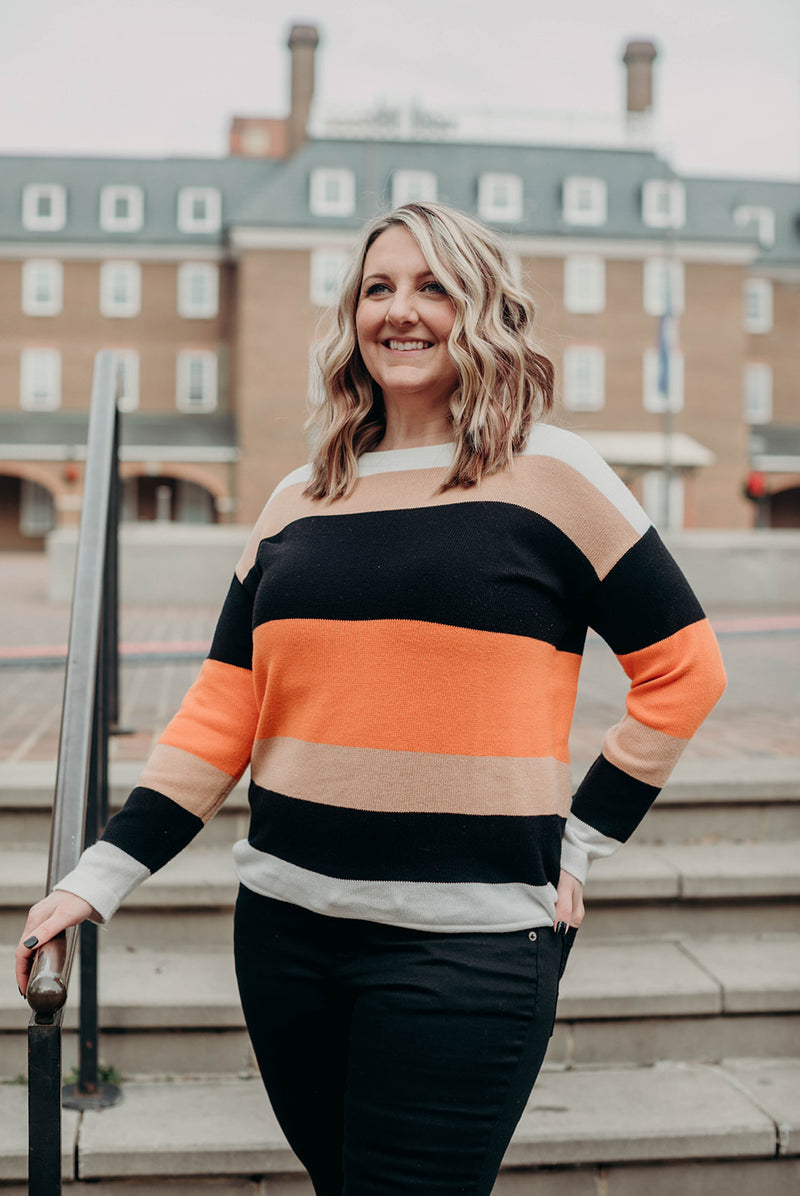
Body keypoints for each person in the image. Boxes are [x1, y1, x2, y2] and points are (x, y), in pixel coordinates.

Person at [17, 201, 726, 1195]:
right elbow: (222, 712)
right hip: (285, 933)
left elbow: (683, 667)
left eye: (432, 285)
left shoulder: (553, 473)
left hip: (467, 945)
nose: (400, 310)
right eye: (377, 287)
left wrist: (578, 836)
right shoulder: (298, 498)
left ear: (480, 307)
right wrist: (97, 876)